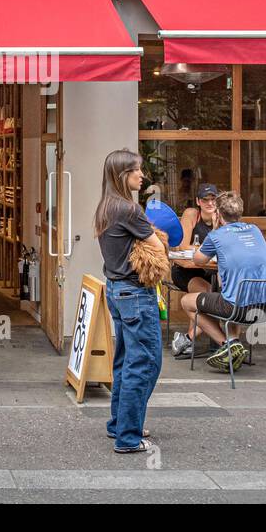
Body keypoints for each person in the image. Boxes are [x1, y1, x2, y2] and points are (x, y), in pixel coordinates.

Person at [95, 149, 164, 454]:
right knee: (146, 362)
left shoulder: (106, 206)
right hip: (136, 293)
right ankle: (129, 436)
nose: (142, 175)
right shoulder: (129, 209)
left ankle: (119, 424)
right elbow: (157, 244)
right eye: (137, 170)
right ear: (123, 175)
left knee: (125, 360)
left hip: (116, 290)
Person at [183, 191, 266, 373]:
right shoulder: (255, 230)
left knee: (187, 302)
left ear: (217, 214)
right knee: (230, 293)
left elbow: (198, 260)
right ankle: (233, 351)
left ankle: (229, 344)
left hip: (237, 308)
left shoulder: (217, 236)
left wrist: (212, 231)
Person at [169, 183, 221, 358]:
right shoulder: (191, 214)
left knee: (221, 297)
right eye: (205, 200)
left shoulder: (222, 217)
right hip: (186, 271)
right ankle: (222, 342)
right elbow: (183, 246)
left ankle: (188, 340)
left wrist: (214, 229)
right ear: (198, 201)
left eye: (213, 199)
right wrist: (207, 250)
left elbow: (223, 247)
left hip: (209, 271)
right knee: (207, 294)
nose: (210, 203)